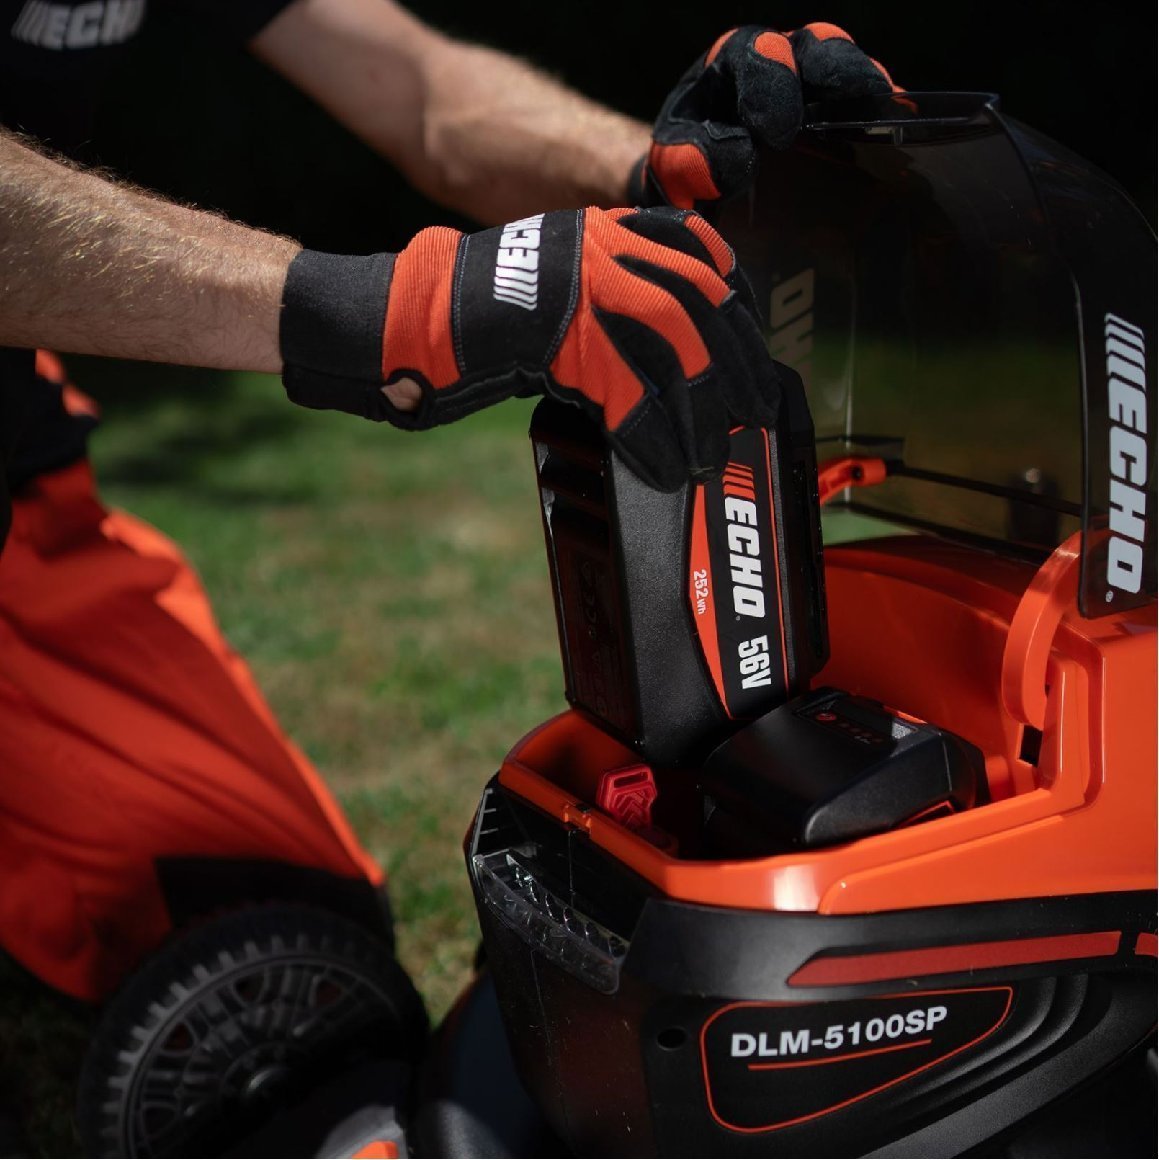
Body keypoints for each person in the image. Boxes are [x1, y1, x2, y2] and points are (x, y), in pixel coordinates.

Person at [0, 0, 896, 1002]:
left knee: (280, 922)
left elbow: (419, 90)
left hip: (24, 476)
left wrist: (660, 182)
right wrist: (391, 311)